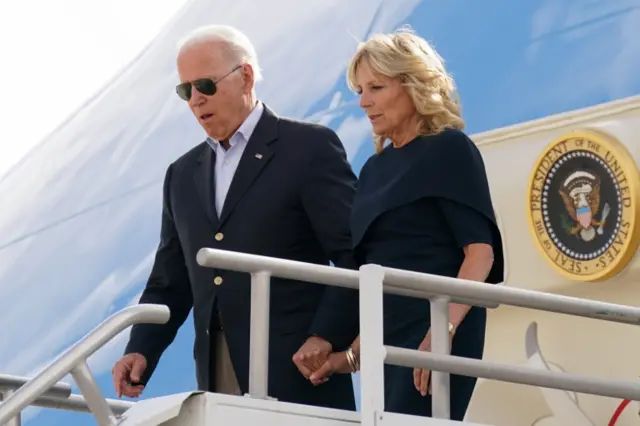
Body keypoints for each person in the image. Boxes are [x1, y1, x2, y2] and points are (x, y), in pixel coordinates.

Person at [110, 24, 360, 411]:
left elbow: (354, 253)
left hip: (299, 371)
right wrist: (142, 348)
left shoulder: (308, 148)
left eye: (205, 85)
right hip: (217, 375)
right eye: (185, 90)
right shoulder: (182, 174)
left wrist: (327, 335)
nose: (195, 100)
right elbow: (169, 281)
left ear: (245, 76)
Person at [300, 29, 505, 420]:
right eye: (359, 90)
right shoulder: (374, 168)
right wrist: (351, 357)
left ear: (413, 84)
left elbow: (479, 254)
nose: (364, 102)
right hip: (387, 341)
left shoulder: (449, 148)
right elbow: (386, 271)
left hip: (439, 330)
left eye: (376, 87)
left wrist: (440, 330)